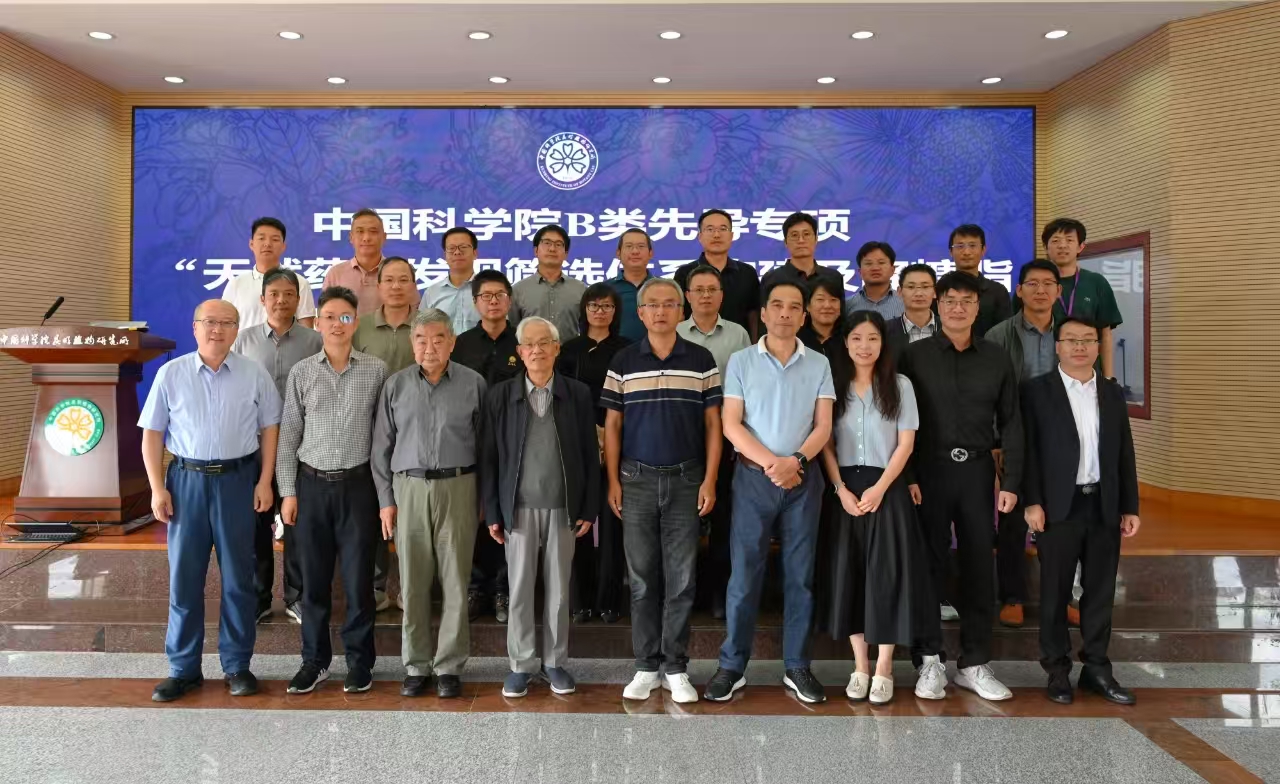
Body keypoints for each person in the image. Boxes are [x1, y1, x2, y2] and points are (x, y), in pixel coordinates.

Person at [139, 299, 281, 702]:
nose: (217, 329)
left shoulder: (253, 373)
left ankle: (237, 665)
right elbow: (152, 434)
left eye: (226, 323)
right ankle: (183, 669)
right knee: (185, 580)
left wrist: (265, 481)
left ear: (237, 329)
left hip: (238, 481)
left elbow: (271, 428)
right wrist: (157, 488)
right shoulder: (171, 373)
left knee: (239, 579)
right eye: (209, 322)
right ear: (195, 327)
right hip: (187, 482)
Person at [704, 279, 835, 705]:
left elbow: (823, 426)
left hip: (803, 480)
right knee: (744, 575)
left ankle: (797, 666)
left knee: (801, 577)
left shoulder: (819, 363)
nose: (784, 313)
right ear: (762, 314)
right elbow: (731, 424)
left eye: (794, 307)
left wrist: (794, 462)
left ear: (803, 315)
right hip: (753, 479)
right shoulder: (742, 360)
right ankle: (732, 667)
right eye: (776, 305)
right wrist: (773, 465)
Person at [898, 272, 1023, 703]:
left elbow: (1012, 421)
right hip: (927, 472)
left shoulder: (996, 356)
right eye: (950, 299)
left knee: (978, 566)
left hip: (977, 472)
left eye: (966, 301)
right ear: (937, 302)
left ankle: (974, 662)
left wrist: (1011, 481)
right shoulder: (913, 355)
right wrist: (908, 476)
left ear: (977, 307)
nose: (957, 308)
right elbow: (898, 418)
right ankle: (928, 659)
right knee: (927, 565)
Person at [603, 277, 723, 705]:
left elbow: (714, 425)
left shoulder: (701, 358)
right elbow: (612, 425)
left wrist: (710, 479)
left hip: (687, 479)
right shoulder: (623, 360)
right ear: (640, 312)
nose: (660, 311)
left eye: (669, 304)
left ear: (681, 310)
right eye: (652, 304)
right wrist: (613, 480)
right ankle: (645, 666)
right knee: (640, 580)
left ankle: (675, 667)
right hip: (635, 480)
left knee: (682, 580)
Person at [1023, 317, 1140, 705]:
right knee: (1055, 593)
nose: (1080, 347)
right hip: (1057, 506)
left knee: (1100, 591)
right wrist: (1032, 501)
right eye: (1071, 340)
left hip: (1103, 504)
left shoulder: (1111, 392)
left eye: (1088, 340)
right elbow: (1027, 452)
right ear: (1057, 346)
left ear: (1097, 347)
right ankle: (1057, 671)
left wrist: (1129, 505)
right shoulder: (1036, 392)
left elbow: (1124, 452)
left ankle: (1097, 669)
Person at [371, 308, 488, 699]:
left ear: (452, 342)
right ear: (412, 343)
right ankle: (416, 665)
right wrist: (386, 501)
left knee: (456, 581)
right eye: (421, 339)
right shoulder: (396, 385)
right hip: (409, 489)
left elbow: (487, 447)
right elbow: (381, 449)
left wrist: (484, 497)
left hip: (460, 487)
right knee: (413, 583)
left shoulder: (473, 383)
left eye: (438, 339)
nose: (429, 347)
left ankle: (450, 666)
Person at [276, 286, 387, 695]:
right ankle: (315, 661)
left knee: (358, 583)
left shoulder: (376, 370)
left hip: (359, 488)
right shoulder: (302, 372)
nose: (337, 324)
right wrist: (288, 491)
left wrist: (385, 497)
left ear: (355, 322)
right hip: (311, 488)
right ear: (318, 323)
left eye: (345, 317)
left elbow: (383, 437)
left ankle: (360, 663)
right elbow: (289, 435)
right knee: (313, 583)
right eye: (329, 317)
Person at [481, 317, 600, 698]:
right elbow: (489, 458)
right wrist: (493, 511)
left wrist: (589, 507)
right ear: (519, 352)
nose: (537, 350)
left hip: (563, 507)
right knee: (518, 589)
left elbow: (590, 454)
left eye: (544, 342)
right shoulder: (501, 395)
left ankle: (554, 663)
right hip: (517, 508)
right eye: (529, 344)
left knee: (559, 591)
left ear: (556, 348)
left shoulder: (577, 394)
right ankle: (520, 664)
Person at [819, 311, 930, 706]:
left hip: (887, 488)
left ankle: (884, 667)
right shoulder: (832, 385)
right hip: (845, 490)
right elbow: (825, 443)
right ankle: (860, 666)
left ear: (883, 344)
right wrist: (840, 490)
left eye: (872, 339)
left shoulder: (900, 385)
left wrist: (882, 488)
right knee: (850, 575)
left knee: (887, 575)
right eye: (857, 339)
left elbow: (906, 444)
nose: (864, 346)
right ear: (845, 343)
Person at [231, 267, 322, 625]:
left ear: (299, 300)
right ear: (262, 299)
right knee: (257, 524)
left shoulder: (315, 342)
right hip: (254, 446)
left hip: (302, 446)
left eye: (289, 294)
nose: (281, 300)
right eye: (274, 294)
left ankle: (297, 596)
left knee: (298, 522)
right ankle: (259, 597)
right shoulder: (243, 341)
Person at [986, 259, 1063, 628]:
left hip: (1062, 439)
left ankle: (1060, 597)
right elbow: (988, 393)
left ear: (1059, 291)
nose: (1040, 290)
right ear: (1019, 290)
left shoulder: (1071, 332)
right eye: (1032, 283)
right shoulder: (999, 335)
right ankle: (1012, 596)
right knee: (1012, 519)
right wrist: (996, 440)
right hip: (1014, 436)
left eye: (1048, 283)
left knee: (1061, 519)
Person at [675, 265, 751, 619]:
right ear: (687, 295)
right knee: (683, 522)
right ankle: (685, 594)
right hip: (682, 438)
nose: (705, 295)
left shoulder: (738, 335)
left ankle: (719, 592)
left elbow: (750, 387)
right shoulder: (674, 331)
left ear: (722, 295)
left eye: (712, 290)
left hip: (726, 437)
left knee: (723, 519)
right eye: (698, 289)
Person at [558, 284, 632, 624]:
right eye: (594, 305)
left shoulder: (627, 350)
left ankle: (609, 601)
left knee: (613, 521)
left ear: (616, 312)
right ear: (584, 310)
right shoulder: (568, 349)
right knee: (578, 521)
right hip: (577, 441)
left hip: (619, 441)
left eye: (606, 306)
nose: (600, 312)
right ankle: (581, 602)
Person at [452, 269, 521, 623]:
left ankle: (503, 589)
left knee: (508, 515)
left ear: (510, 299)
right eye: (486, 296)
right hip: (469, 441)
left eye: (499, 295)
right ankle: (476, 586)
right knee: (474, 516)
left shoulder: (522, 341)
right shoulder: (461, 344)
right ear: (475, 302)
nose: (493, 302)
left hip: (514, 442)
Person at [351, 256, 418, 613]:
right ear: (378, 286)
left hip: (415, 434)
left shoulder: (426, 325)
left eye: (403, 279)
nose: (396, 286)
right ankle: (377, 586)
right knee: (374, 507)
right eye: (389, 279)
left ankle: (409, 587)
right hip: (368, 430)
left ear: (413, 286)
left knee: (409, 512)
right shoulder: (359, 327)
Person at [1040, 218, 1123, 378]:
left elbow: (1105, 335)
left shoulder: (1096, 282)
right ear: (1046, 247)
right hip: (1045, 375)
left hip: (1088, 375)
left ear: (1080, 246)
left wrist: (1108, 379)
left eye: (1069, 240)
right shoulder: (1034, 286)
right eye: (1055, 241)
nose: (1062, 245)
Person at [673, 209, 761, 337]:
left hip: (738, 344)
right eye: (710, 229)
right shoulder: (684, 273)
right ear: (700, 236)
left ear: (731, 236)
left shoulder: (747, 273)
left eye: (723, 229)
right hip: (693, 343)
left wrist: (754, 345)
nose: (716, 235)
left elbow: (753, 315)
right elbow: (677, 314)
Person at [322, 208, 421, 316]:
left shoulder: (400, 271)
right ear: (351, 237)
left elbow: (415, 314)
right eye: (360, 231)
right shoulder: (336, 274)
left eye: (373, 232)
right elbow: (326, 316)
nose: (366, 238)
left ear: (384, 237)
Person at [222, 217, 316, 329]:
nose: (267, 244)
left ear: (283, 246)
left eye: (275, 239)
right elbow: (224, 324)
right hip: (245, 341)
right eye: (261, 238)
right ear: (251, 244)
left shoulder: (300, 283)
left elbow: (307, 331)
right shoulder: (236, 284)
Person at [510, 224, 588, 341]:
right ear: (536, 251)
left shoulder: (580, 289)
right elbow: (513, 330)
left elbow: (587, 329)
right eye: (546, 243)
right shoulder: (518, 290)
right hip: (532, 352)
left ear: (566, 254)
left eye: (558, 244)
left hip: (570, 352)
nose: (552, 249)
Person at [760, 212, 845, 309]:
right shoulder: (772, 279)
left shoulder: (833, 277)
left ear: (816, 239)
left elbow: (839, 315)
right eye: (794, 235)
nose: (801, 240)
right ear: (785, 242)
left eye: (806, 234)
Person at [949, 224, 1012, 338]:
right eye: (960, 246)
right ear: (951, 251)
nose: (966, 252)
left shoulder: (998, 292)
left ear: (983, 250)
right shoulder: (940, 291)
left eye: (972, 245)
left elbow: (1005, 334)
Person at [420, 226, 481, 336]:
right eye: (451, 248)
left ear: (475, 253)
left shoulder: (487, 291)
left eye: (463, 247)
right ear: (445, 255)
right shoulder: (432, 293)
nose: (457, 252)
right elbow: (421, 330)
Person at [607, 228, 654, 342]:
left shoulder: (663, 288)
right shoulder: (605, 289)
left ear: (650, 253)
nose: (635, 251)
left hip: (657, 351)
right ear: (618, 253)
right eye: (629, 246)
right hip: (616, 351)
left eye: (641, 246)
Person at [884, 264, 938, 361]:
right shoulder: (884, 331)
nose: (919, 293)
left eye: (925, 287)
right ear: (899, 292)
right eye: (911, 287)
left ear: (935, 292)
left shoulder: (949, 328)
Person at [845, 241, 905, 321]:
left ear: (892, 270)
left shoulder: (905, 303)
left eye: (881, 263)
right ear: (860, 272)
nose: (875, 268)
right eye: (868, 263)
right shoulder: (847, 305)